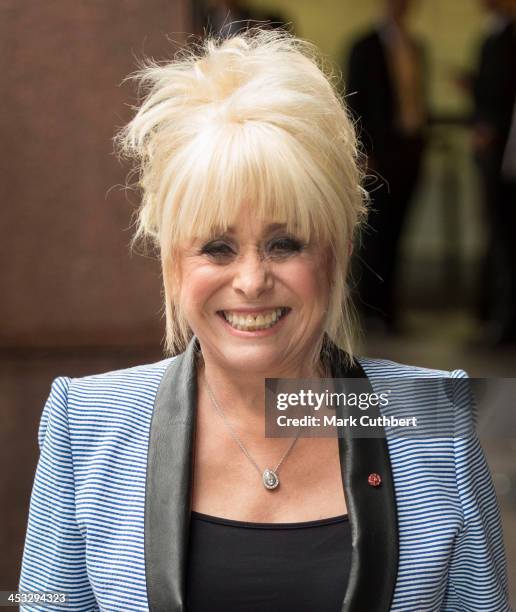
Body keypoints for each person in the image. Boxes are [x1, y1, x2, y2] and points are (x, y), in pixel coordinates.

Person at [18, 28, 510, 612]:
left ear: (340, 249)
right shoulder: (88, 425)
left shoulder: (435, 419)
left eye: (285, 243)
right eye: (218, 248)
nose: (251, 281)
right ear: (171, 258)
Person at [346, 0, 428, 332]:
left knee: (398, 231)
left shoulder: (416, 46)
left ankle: (390, 308)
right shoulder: (364, 46)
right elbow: (354, 101)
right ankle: (370, 308)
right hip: (378, 153)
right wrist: (363, 151)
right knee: (375, 230)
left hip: (409, 148)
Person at [473, 0, 516, 344]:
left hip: (504, 151)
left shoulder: (503, 40)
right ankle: (501, 318)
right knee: (502, 239)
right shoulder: (495, 37)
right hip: (502, 157)